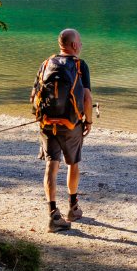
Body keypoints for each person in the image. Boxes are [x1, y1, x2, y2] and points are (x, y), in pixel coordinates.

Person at [34, 28, 93, 232]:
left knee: (51, 165)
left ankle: (53, 215)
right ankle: (73, 208)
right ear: (74, 45)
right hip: (71, 125)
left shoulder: (46, 63)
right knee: (72, 163)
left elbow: (34, 97)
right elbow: (87, 98)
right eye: (80, 41)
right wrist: (89, 121)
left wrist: (41, 118)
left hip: (48, 124)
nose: (81, 45)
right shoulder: (79, 65)